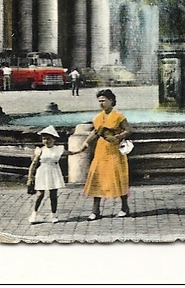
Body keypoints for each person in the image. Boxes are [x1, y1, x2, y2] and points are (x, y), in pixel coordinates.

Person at [80, 89, 131, 219]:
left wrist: (119, 136)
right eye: (99, 101)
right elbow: (96, 132)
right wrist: (86, 143)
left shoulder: (119, 116)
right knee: (97, 178)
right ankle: (95, 210)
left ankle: (124, 207)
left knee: (117, 178)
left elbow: (128, 130)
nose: (101, 103)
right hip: (101, 151)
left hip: (115, 151)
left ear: (111, 101)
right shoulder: (98, 118)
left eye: (104, 100)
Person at [27, 126, 82, 223]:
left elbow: (71, 153)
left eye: (48, 139)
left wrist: (82, 148)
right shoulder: (40, 150)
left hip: (54, 171)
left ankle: (53, 215)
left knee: (53, 195)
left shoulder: (58, 149)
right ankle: (34, 214)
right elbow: (34, 164)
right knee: (40, 194)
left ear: (54, 139)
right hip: (42, 172)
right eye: (44, 139)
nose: (46, 141)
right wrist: (30, 177)